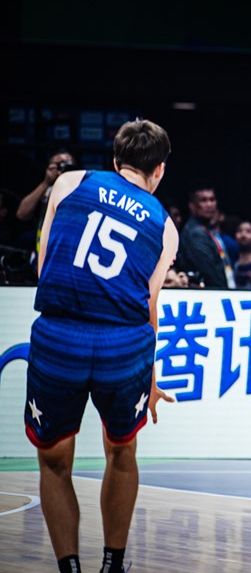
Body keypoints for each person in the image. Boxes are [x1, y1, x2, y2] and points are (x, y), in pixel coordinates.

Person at [24, 119, 177, 573]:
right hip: (123, 344)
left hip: (60, 335)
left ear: (115, 159)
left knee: (53, 462)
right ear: (160, 170)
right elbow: (150, 306)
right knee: (122, 450)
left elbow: (45, 262)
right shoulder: (164, 225)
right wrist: (150, 376)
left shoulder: (71, 182)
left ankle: (69, 567)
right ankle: (113, 564)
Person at [16, 149, 77, 256]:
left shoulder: (82, 190)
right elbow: (22, 214)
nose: (62, 169)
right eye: (58, 165)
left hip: (67, 252)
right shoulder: (43, 190)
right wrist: (46, 182)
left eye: (66, 165)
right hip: (43, 253)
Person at [175, 186, 235, 289]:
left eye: (212, 199)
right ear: (192, 206)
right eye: (203, 200)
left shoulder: (210, 230)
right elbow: (210, 272)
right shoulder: (195, 233)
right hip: (211, 295)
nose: (209, 205)